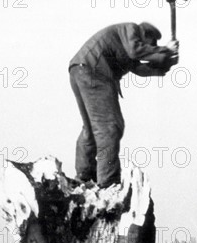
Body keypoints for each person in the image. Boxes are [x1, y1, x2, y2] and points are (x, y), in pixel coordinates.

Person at [69, 22, 179, 188]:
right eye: (151, 44)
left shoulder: (125, 45)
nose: (150, 48)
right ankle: (108, 184)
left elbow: (141, 69)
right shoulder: (132, 29)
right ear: (145, 35)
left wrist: (167, 63)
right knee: (109, 128)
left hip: (80, 69)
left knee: (91, 128)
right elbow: (137, 50)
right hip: (94, 71)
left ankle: (84, 177)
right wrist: (166, 50)